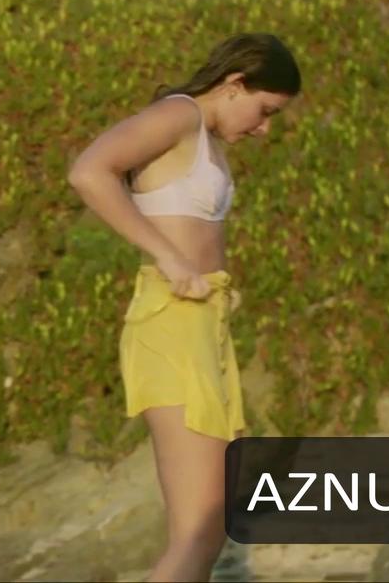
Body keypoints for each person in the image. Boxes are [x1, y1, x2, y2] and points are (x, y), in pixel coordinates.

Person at [66, 33, 301, 582]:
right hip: (170, 323)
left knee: (212, 524)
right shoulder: (178, 116)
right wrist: (168, 256)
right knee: (200, 528)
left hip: (204, 325)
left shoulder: (205, 139)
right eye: (265, 111)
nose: (264, 129)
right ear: (234, 84)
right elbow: (89, 172)